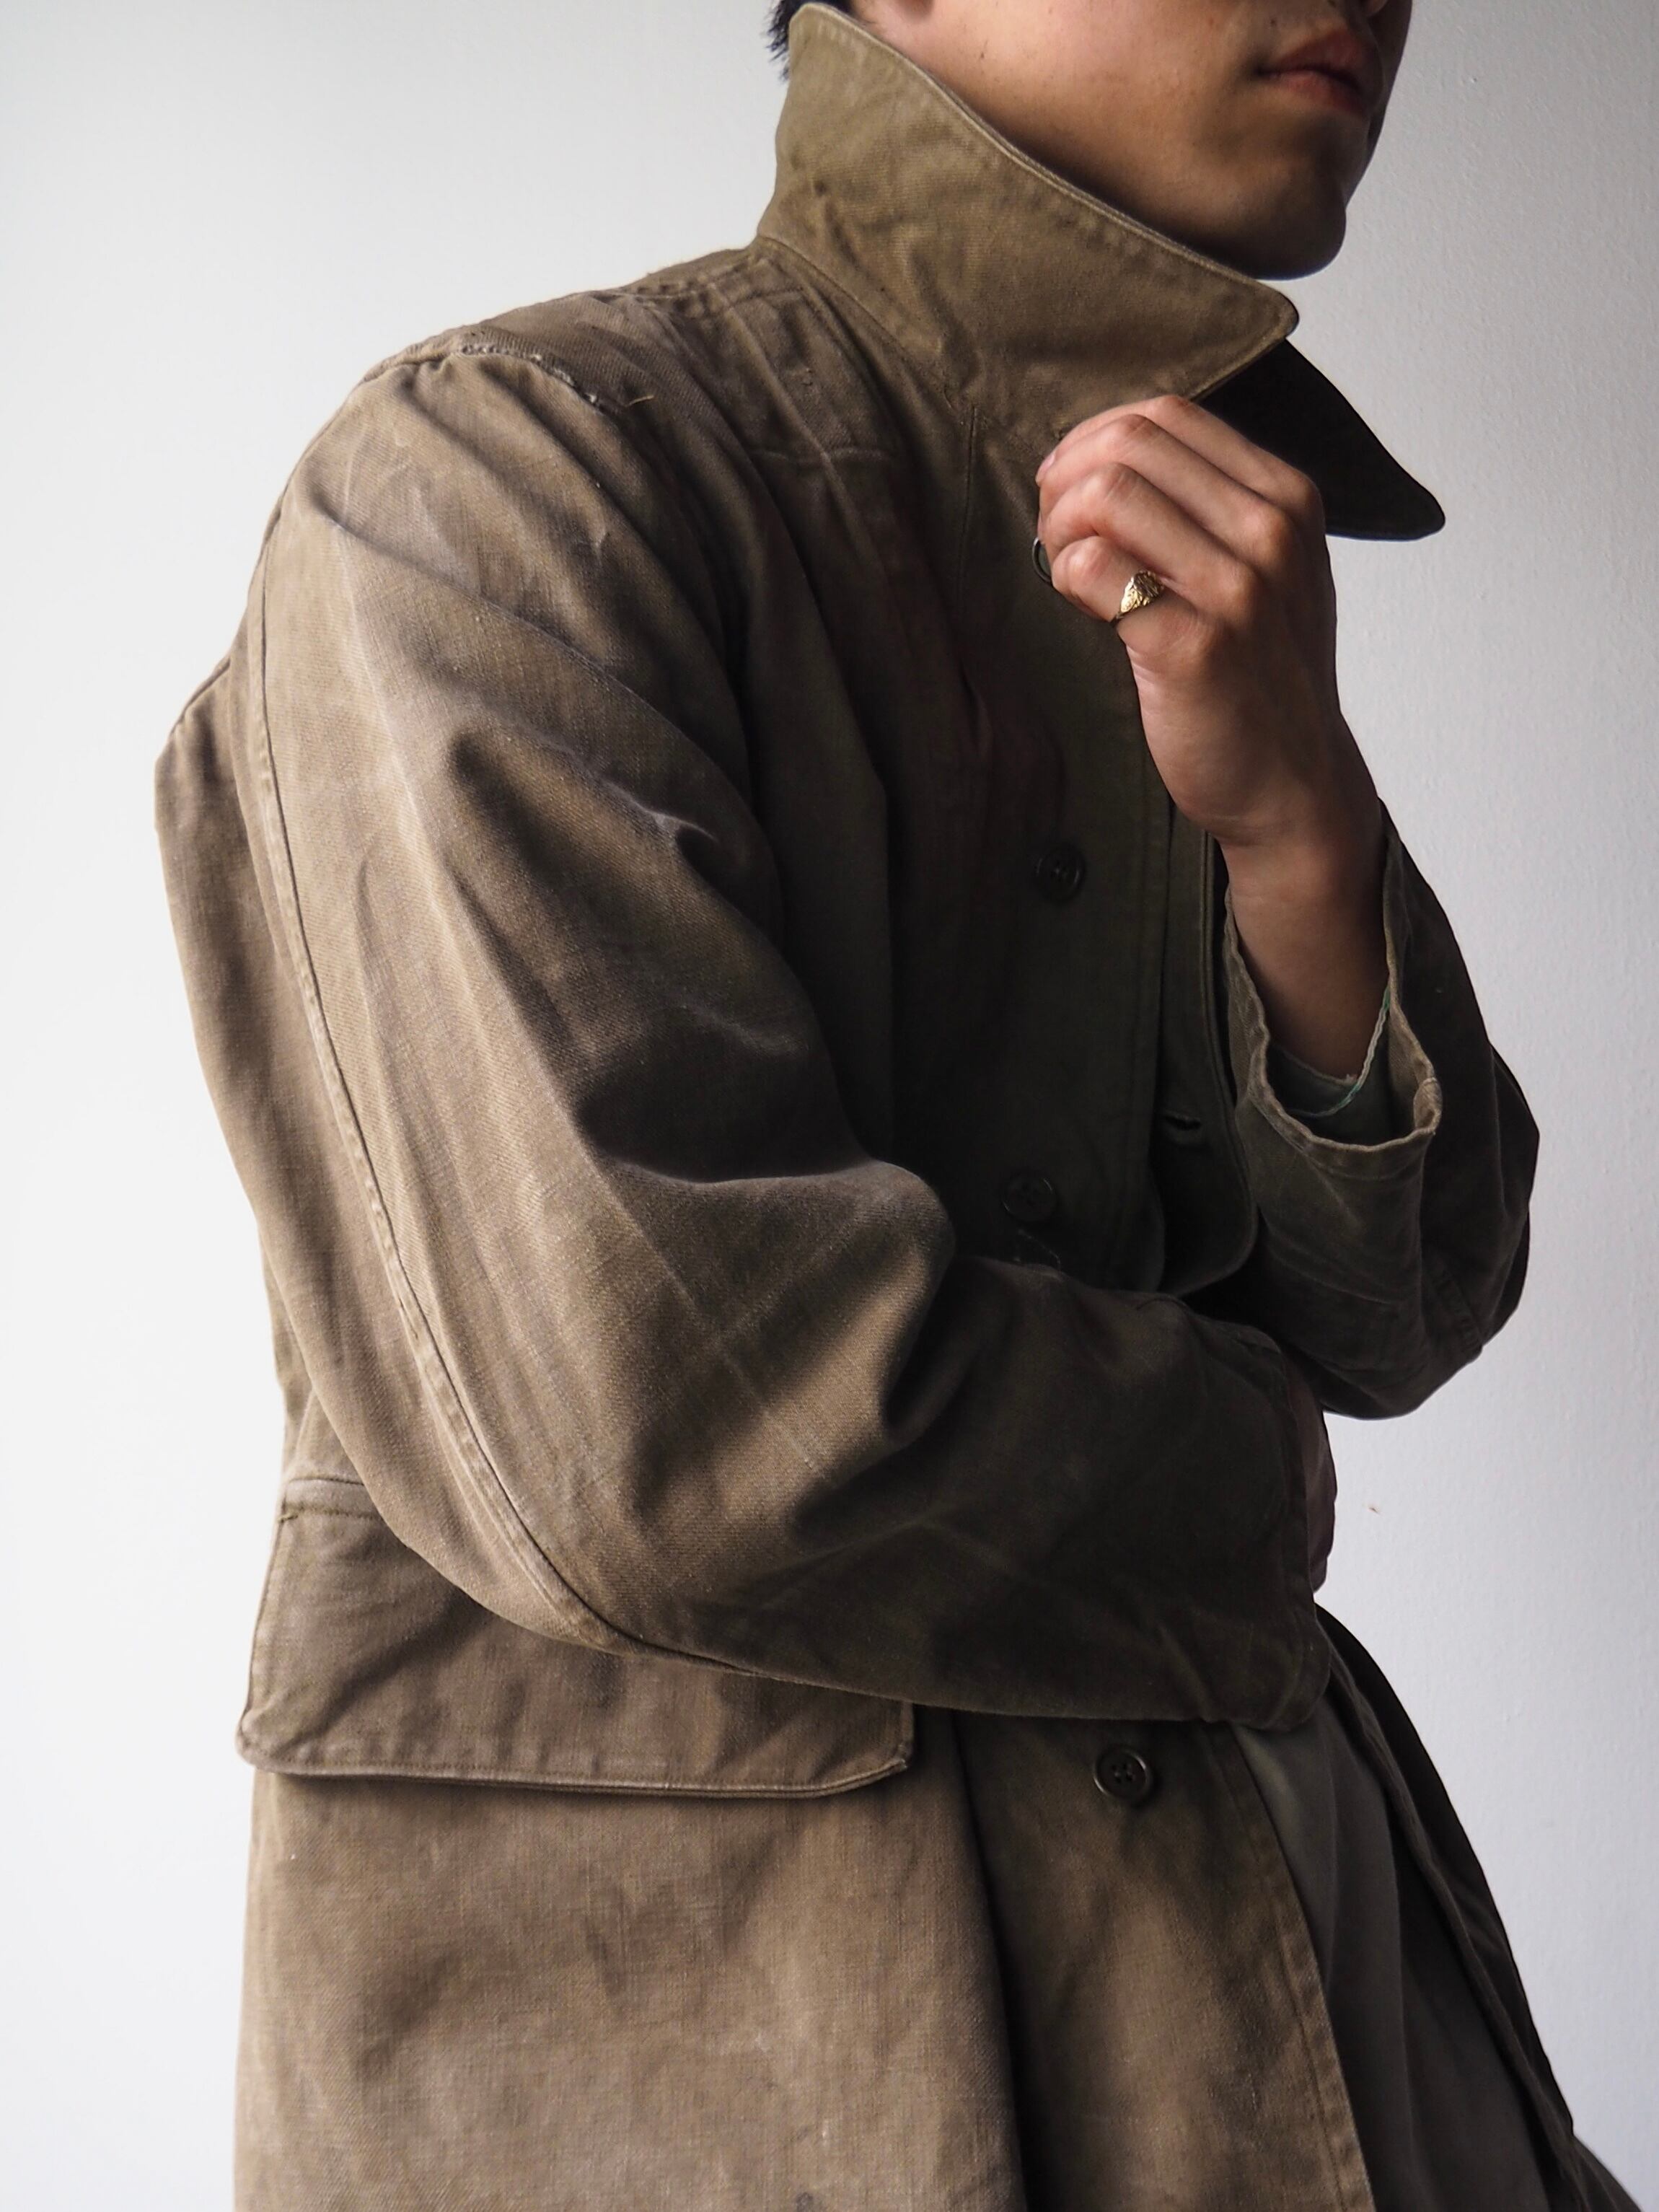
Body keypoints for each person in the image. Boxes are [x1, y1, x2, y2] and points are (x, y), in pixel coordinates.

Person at [155, 1, 1642, 2206]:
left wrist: (1297, 827)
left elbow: (1406, 1307)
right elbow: (681, 1422)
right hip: (746, 2095)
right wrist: (1250, 1465)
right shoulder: (500, 484)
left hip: (1314, 2033)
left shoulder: (1209, 551)